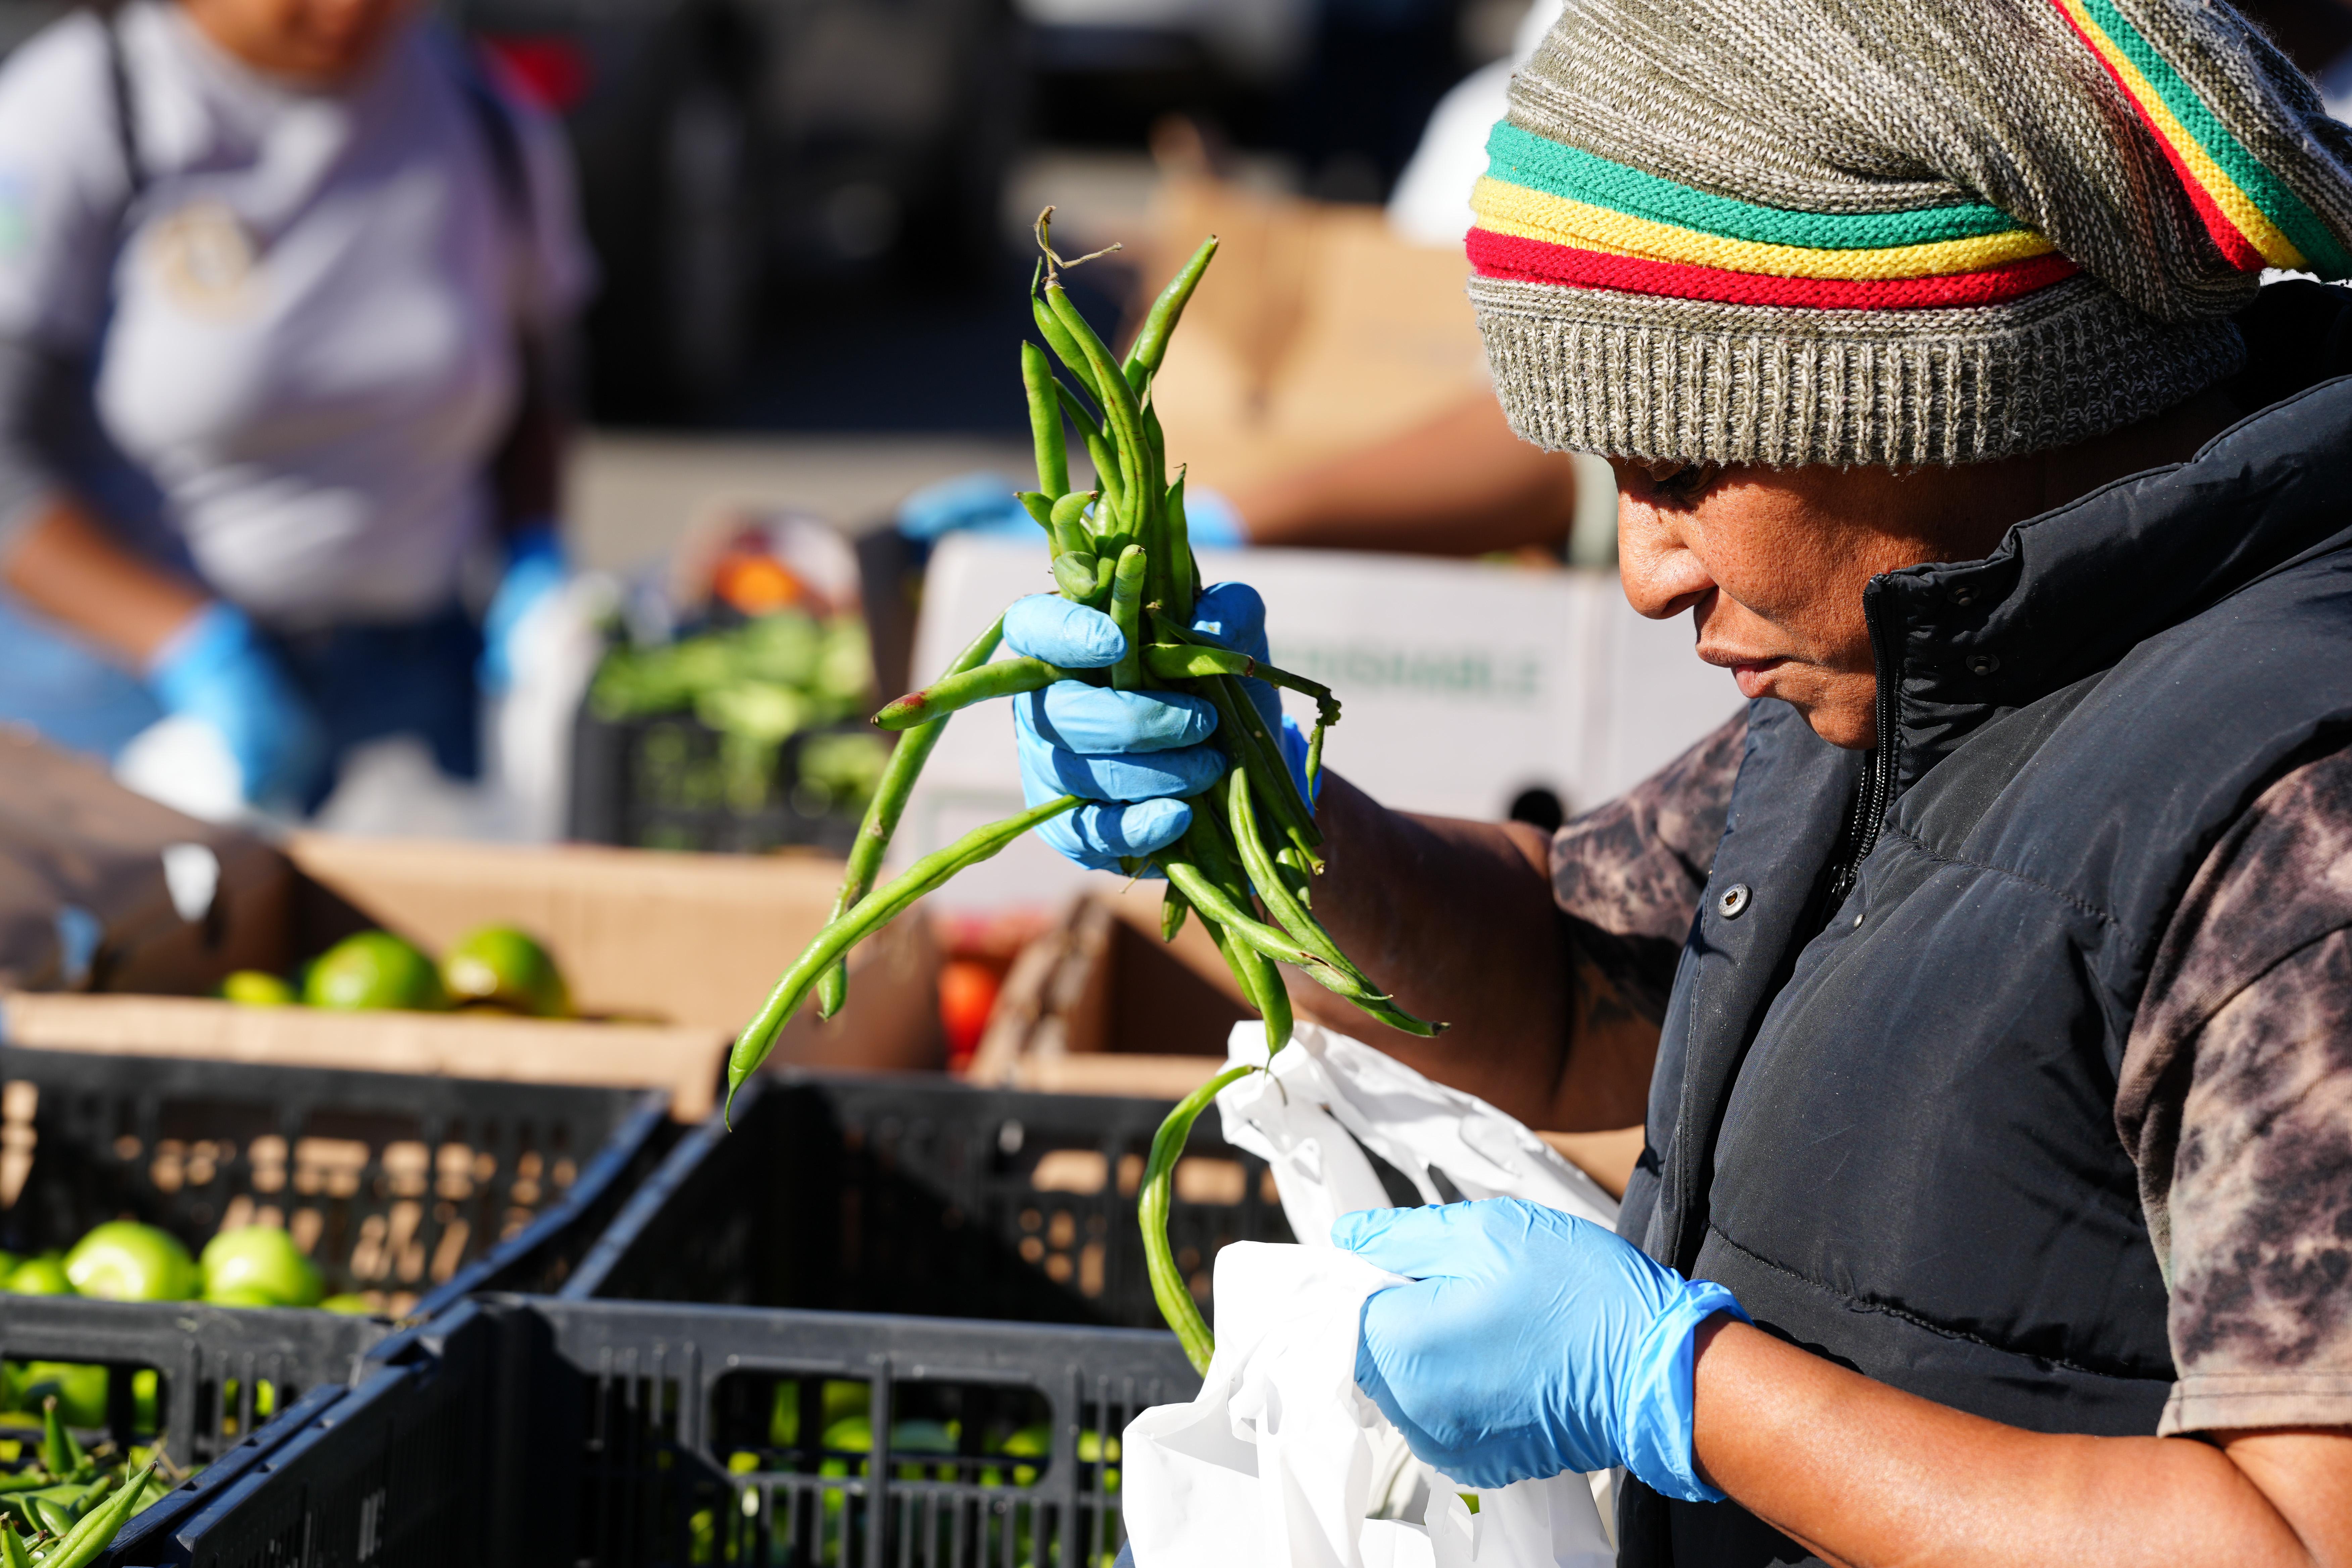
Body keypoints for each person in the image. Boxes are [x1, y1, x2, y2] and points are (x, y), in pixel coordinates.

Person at [1012, 1, 2352, 1562]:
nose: (1647, 570)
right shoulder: (1930, 652)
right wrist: (1268, 817)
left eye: (1676, 470)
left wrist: (1682, 1390)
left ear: (1943, 383)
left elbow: (2293, 1539)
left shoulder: (2294, 821)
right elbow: (1590, 984)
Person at [0, 0, 590, 816]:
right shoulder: (80, 109)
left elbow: (535, 379)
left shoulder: (484, 114)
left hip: (415, 681)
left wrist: (535, 553)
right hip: (134, 698)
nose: (348, 11)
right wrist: (189, 643)